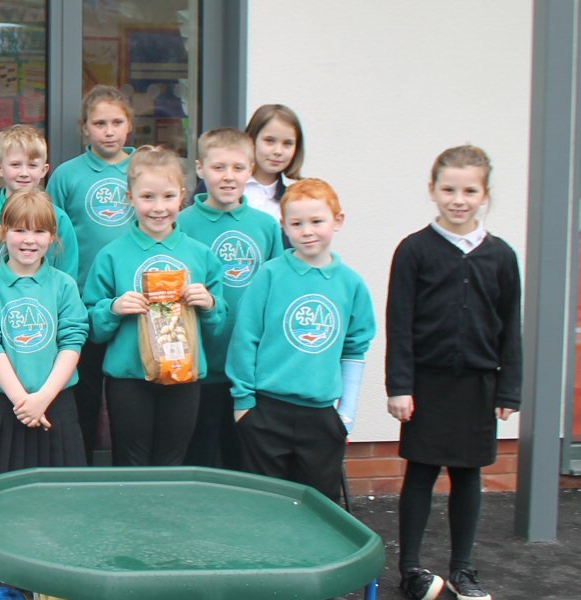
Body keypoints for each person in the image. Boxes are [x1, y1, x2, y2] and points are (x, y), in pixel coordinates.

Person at [386, 146, 520, 600]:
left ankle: (463, 570)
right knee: (420, 474)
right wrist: (399, 386)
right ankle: (410, 569)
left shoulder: (501, 256)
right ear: (432, 190)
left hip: (478, 385)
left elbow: (510, 326)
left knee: (467, 475)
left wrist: (510, 390)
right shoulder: (414, 250)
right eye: (448, 189)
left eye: (469, 190)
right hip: (426, 384)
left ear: (484, 194)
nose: (458, 199)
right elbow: (399, 322)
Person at [227, 178, 375, 503]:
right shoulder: (269, 275)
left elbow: (355, 348)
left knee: (318, 507)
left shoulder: (351, 284)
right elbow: (245, 338)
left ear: (338, 221)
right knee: (263, 503)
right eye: (297, 223)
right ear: (284, 226)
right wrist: (243, 403)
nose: (307, 231)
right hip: (266, 410)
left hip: (322, 416)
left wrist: (346, 414)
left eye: (317, 221)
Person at [82, 145, 225, 466]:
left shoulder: (200, 255)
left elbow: (218, 324)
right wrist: (113, 308)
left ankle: (167, 517)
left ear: (183, 197)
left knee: (173, 462)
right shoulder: (112, 255)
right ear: (129, 198)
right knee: (131, 462)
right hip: (129, 378)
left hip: (184, 378)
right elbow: (92, 325)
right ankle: (130, 518)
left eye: (167, 197)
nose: (158, 208)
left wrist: (209, 303)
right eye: (147, 197)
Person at [0, 188, 88, 475]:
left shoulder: (64, 285)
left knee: (63, 496)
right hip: (8, 406)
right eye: (19, 230)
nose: (29, 240)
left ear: (53, 236)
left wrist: (42, 399)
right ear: (2, 232)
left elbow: (72, 341)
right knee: (8, 500)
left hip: (57, 403)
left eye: (40, 231)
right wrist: (23, 402)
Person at [178, 129, 284, 470]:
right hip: (201, 358)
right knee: (201, 452)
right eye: (218, 167)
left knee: (243, 453)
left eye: (238, 168)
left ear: (250, 170)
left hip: (250, 363)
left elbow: (277, 289)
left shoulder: (266, 226)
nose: (228, 177)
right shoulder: (182, 224)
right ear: (200, 169)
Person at [0, 124, 77, 415]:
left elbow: (68, 276)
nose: (24, 172)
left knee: (48, 409)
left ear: (45, 169)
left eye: (32, 164)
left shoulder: (58, 218)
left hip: (45, 340)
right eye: (15, 164)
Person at [46, 84, 137, 464]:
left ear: (129, 125)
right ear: (85, 128)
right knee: (82, 397)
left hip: (136, 304)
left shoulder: (144, 169)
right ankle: (79, 470)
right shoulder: (67, 176)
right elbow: (49, 237)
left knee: (128, 402)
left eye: (117, 122)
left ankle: (125, 475)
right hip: (83, 304)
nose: (109, 130)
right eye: (100, 123)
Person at [192, 104, 305, 229]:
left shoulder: (293, 200)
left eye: (287, 144)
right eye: (269, 141)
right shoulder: (217, 185)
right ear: (251, 139)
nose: (278, 151)